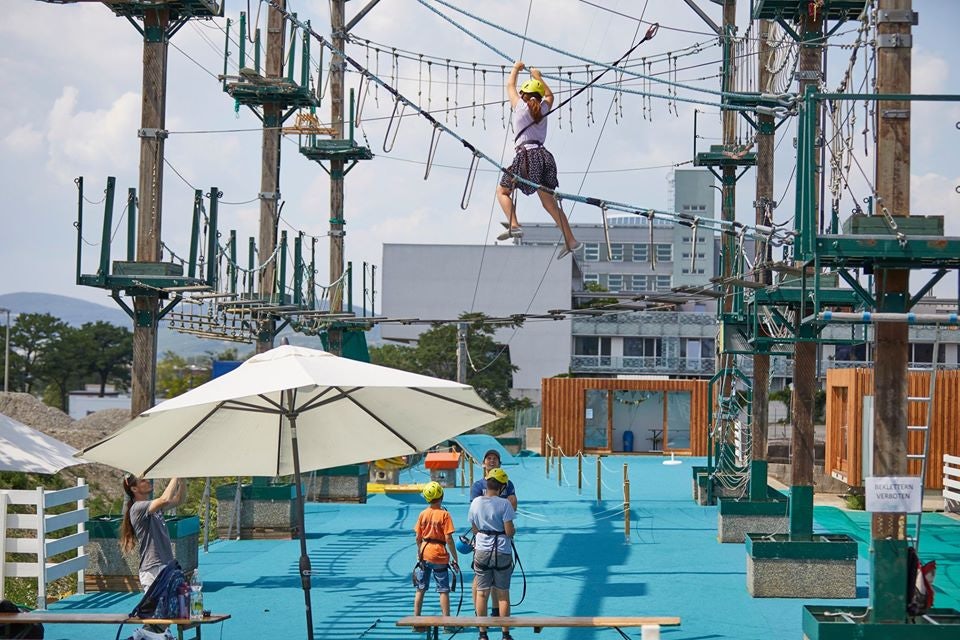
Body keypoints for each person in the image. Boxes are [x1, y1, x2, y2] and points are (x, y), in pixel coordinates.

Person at [496, 60, 581, 260]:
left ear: (524, 95)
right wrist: (537, 76)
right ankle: (571, 240)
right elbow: (550, 96)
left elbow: (509, 86)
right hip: (545, 158)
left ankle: (514, 224)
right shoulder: (544, 108)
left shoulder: (520, 107)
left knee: (503, 191)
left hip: (526, 156)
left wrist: (517, 68)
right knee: (549, 204)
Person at [467, 468, 516, 640]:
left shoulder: (476, 503)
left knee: (482, 593)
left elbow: (474, 529)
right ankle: (505, 634)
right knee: (503, 594)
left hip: (481, 549)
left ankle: (482, 633)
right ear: (502, 487)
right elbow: (509, 532)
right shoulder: (505, 504)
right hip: (502, 550)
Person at [120, 474, 185, 590]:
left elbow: (179, 499)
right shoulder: (137, 508)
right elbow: (165, 499)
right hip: (153, 569)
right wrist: (176, 474)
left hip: (164, 565)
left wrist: (182, 478)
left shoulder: (153, 507)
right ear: (134, 489)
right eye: (143, 481)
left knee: (169, 607)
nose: (148, 481)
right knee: (155, 608)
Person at [413, 481, 460, 630]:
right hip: (439, 554)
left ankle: (416, 621)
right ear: (441, 496)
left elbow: (417, 537)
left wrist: (418, 552)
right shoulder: (445, 515)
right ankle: (447, 624)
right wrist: (455, 557)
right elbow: (449, 539)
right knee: (443, 590)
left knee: (420, 588)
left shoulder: (422, 514)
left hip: (425, 552)